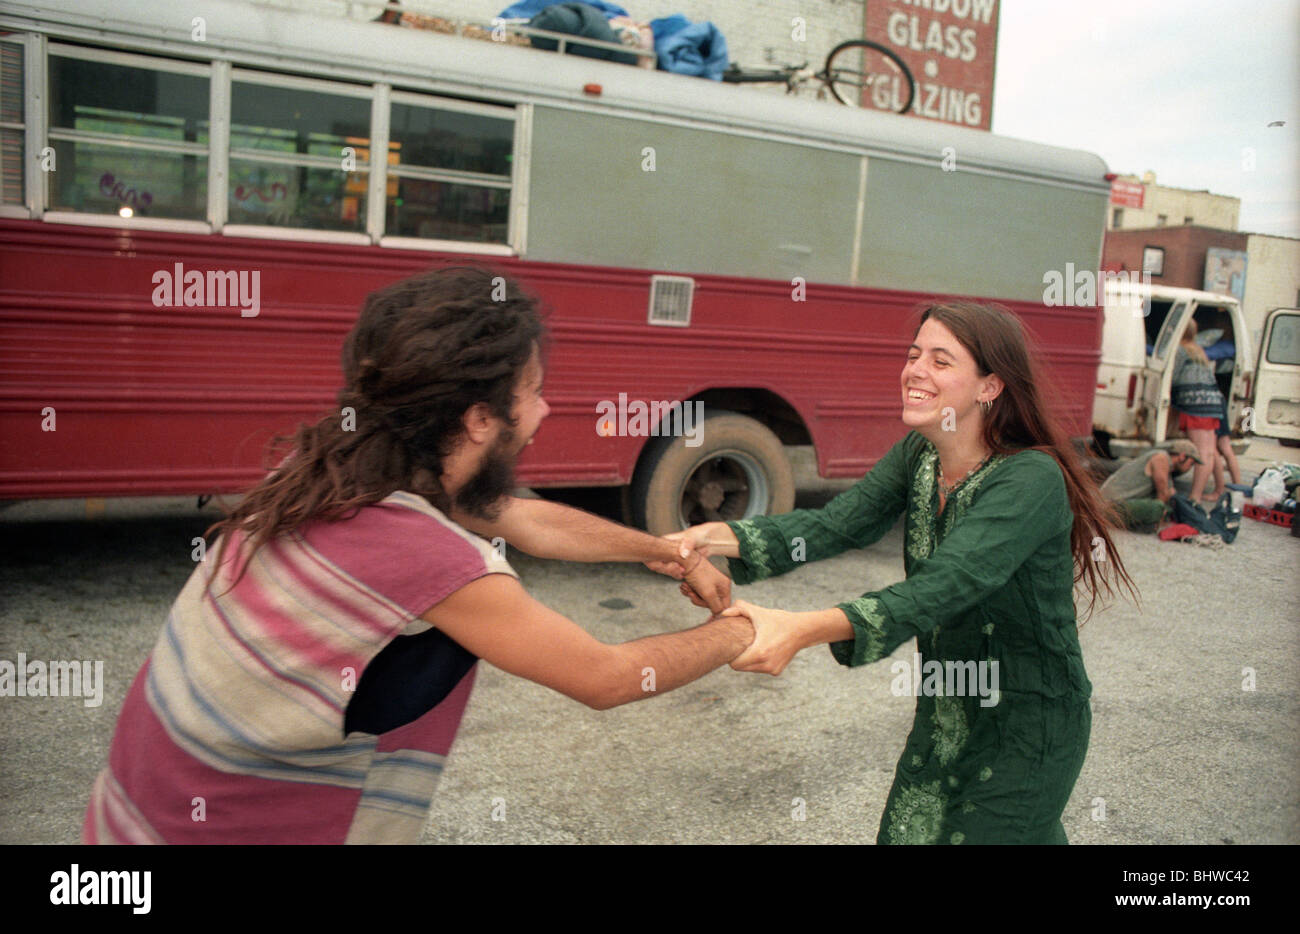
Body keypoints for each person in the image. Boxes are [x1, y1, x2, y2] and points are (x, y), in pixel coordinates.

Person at [84, 266, 742, 845]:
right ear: (481, 417)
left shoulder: (332, 466)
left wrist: (669, 549)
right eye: (535, 389)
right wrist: (744, 630)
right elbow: (606, 677)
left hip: (128, 818)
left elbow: (526, 520)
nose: (547, 408)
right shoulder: (430, 559)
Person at [656, 301, 1138, 845]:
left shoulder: (1031, 479)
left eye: (941, 360)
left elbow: (946, 585)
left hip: (1028, 724)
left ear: (989, 387)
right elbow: (837, 524)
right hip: (946, 711)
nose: (916, 371)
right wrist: (711, 537)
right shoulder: (921, 454)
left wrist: (799, 629)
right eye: (914, 356)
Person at [1170, 319, 1226, 503]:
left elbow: (1172, 376)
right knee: (1211, 451)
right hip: (1213, 403)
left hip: (1196, 405)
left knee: (1202, 452)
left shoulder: (1179, 350)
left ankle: (1195, 496)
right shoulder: (1199, 351)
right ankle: (1219, 490)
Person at [1098, 439, 1202, 531]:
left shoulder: (1167, 466)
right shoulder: (1161, 459)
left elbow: (1172, 494)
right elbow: (1163, 494)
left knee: (1170, 503)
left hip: (1114, 505)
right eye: (1191, 463)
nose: (1190, 468)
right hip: (1109, 507)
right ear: (1182, 456)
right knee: (1157, 507)